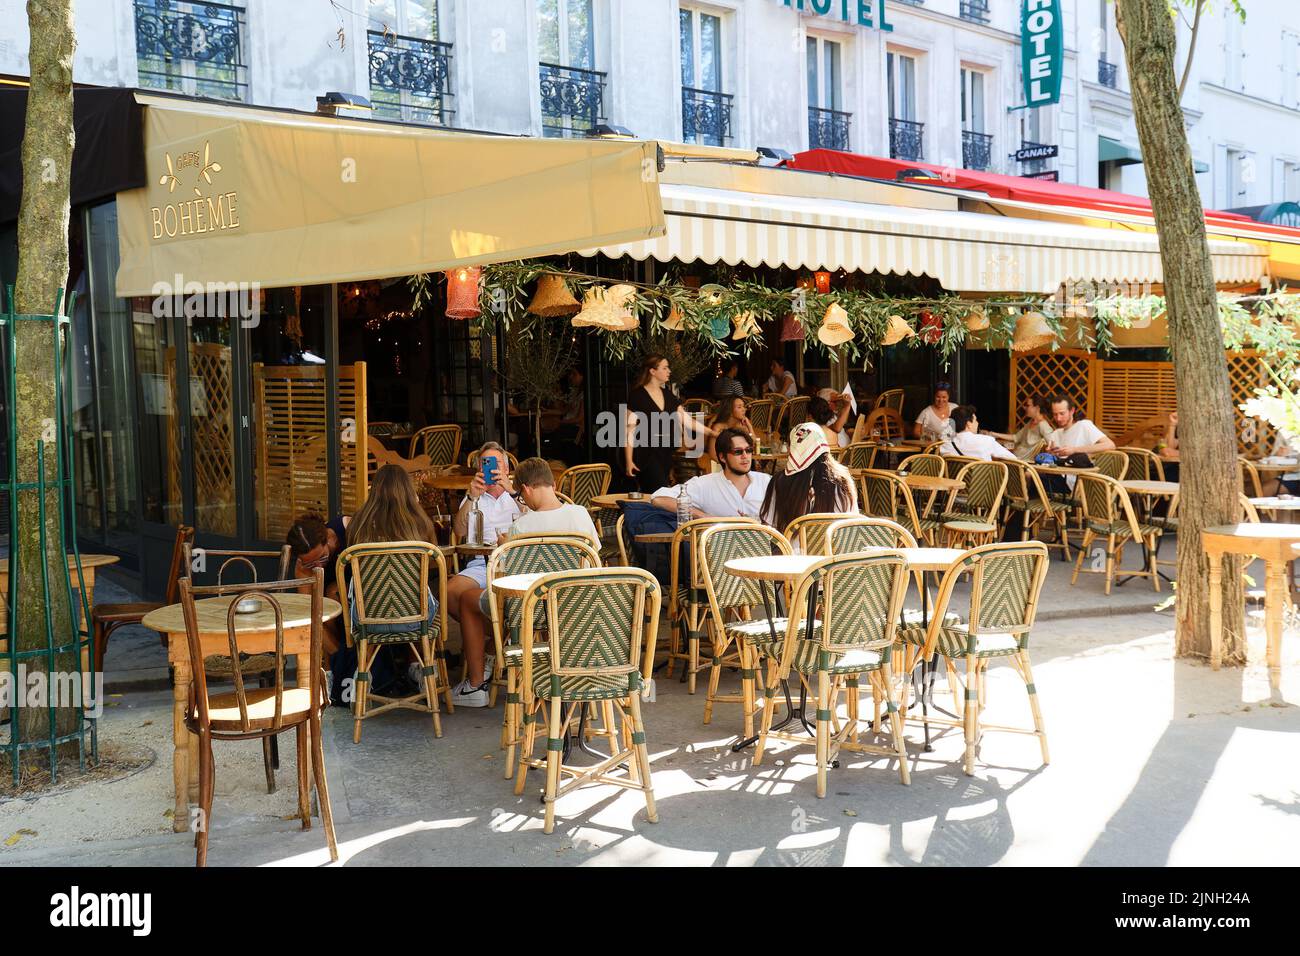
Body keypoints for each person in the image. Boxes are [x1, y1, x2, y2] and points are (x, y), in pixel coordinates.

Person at [345, 465, 441, 700]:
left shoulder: (358, 523)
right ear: (408, 491)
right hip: (416, 620)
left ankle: (363, 672)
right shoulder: (420, 522)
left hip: (367, 620)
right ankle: (422, 670)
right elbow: (433, 566)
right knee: (428, 593)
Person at [447, 442, 520, 707]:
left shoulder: (519, 492)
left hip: (515, 563)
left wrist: (514, 491)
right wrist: (472, 496)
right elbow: (459, 531)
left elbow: (535, 518)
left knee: (475, 601)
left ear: (507, 467)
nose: (491, 470)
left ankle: (488, 651)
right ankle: (494, 643)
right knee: (451, 592)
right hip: (482, 562)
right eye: (485, 465)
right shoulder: (474, 495)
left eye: (496, 464)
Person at [625, 354, 716, 493]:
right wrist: (628, 460)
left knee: (657, 493)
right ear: (652, 371)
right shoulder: (637, 395)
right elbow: (629, 430)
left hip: (665, 452)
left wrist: (711, 432)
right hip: (645, 452)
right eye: (665, 368)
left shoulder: (668, 395)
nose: (669, 371)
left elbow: (687, 420)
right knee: (658, 490)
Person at [760, 422, 857, 541]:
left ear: (794, 449)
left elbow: (769, 530)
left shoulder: (779, 481)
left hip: (791, 556)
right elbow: (852, 525)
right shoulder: (842, 479)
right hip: (834, 554)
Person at [651, 427, 771, 519]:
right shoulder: (705, 484)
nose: (745, 456)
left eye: (749, 450)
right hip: (722, 548)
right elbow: (659, 498)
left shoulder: (766, 481)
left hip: (765, 547)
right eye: (738, 452)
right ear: (723, 457)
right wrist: (704, 517)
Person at [286, 512, 350, 654]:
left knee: (333, 591)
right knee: (317, 608)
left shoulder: (348, 530)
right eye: (311, 564)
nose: (319, 567)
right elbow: (309, 610)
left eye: (322, 558)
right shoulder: (302, 566)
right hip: (329, 614)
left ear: (328, 539)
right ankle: (338, 662)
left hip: (357, 602)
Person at [501, 457, 600, 545]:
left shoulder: (520, 527)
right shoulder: (581, 513)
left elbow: (512, 564)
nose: (524, 501)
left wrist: (503, 548)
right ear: (554, 485)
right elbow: (594, 556)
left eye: (521, 496)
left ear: (526, 489)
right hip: (580, 566)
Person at [982, 395, 1054, 460]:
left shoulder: (1043, 425)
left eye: (1028, 405)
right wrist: (993, 434)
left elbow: (1052, 445)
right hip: (1015, 457)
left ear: (1037, 408)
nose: (1024, 407)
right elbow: (1016, 437)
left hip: (1021, 462)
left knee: (991, 456)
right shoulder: (1031, 422)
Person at [1045, 394, 1116, 459]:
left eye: (1062, 413)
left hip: (1078, 472)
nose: (1058, 418)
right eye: (1055, 414)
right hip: (1057, 471)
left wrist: (1074, 450)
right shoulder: (1055, 434)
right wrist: (1050, 454)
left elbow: (1110, 445)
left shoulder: (1083, 425)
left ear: (1072, 411)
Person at [941, 405, 1018, 461]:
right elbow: (1013, 459)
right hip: (985, 483)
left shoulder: (946, 445)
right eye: (975, 420)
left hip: (956, 482)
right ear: (968, 424)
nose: (977, 423)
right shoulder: (986, 441)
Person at [704, 396, 754, 463]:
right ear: (730, 411)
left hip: (740, 462)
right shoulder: (719, 428)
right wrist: (730, 465)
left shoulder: (743, 426)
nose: (744, 409)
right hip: (722, 465)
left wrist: (749, 426)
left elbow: (754, 444)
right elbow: (713, 454)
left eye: (743, 406)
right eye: (739, 407)